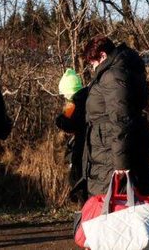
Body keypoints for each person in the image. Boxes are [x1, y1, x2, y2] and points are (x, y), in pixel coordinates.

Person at [82, 35, 149, 197]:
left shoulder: (112, 76)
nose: (92, 67)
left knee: (114, 206)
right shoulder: (122, 70)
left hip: (110, 155)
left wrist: (121, 164)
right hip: (109, 151)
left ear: (103, 56)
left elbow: (121, 119)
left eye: (93, 62)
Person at [54, 68, 89, 203]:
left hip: (81, 147)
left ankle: (82, 207)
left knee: (77, 178)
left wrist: (59, 121)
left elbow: (68, 123)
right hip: (91, 145)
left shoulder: (75, 103)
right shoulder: (90, 96)